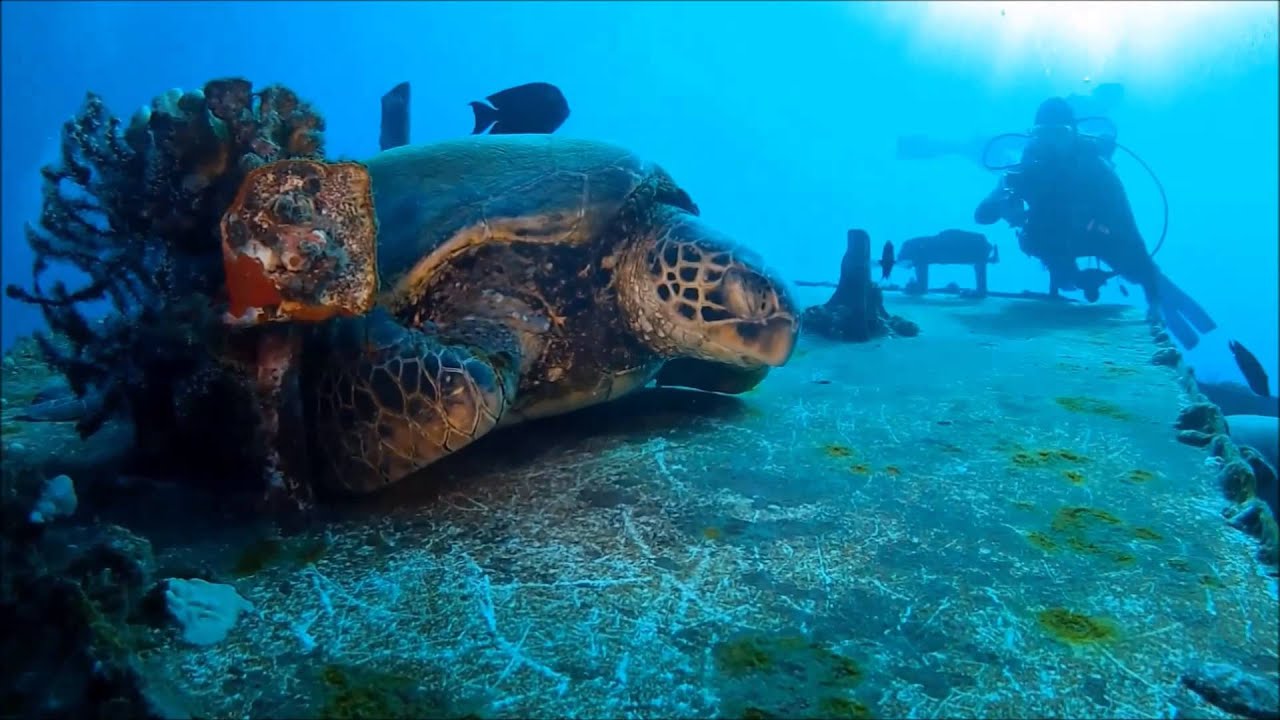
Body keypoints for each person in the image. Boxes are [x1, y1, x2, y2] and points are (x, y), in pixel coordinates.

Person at [972, 97, 1217, 348]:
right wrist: (1002, 206)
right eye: (1043, 134)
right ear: (1034, 136)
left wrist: (1152, 296)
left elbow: (1130, 233)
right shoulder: (1025, 171)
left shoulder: (1097, 172)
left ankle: (1166, 298)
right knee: (1057, 265)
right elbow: (981, 215)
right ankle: (1074, 277)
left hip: (1098, 238)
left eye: (1059, 134)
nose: (1051, 143)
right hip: (1053, 243)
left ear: (1073, 134)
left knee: (1135, 267)